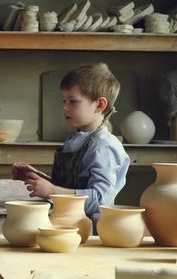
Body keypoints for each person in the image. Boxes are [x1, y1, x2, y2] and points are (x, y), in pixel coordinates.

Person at [12, 63, 130, 219]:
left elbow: (101, 200)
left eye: (73, 101)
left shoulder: (103, 146)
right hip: (67, 220)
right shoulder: (75, 139)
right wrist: (36, 177)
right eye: (64, 101)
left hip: (91, 229)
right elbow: (69, 187)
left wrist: (52, 191)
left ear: (100, 105)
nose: (65, 108)